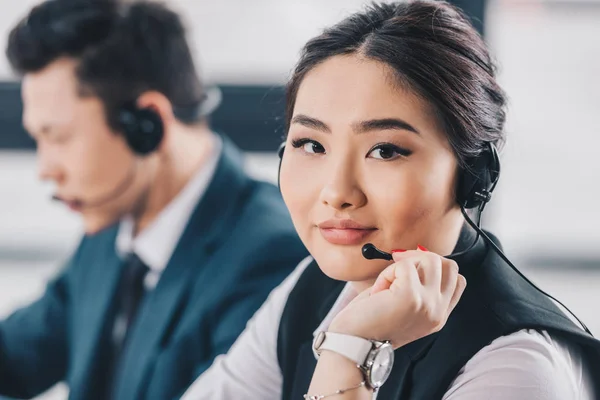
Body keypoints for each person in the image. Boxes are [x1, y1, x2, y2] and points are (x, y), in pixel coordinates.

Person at [181, 1, 600, 399]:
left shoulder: (517, 368)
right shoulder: (313, 289)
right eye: (311, 144)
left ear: (472, 173)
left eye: (384, 150)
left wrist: (351, 351)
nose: (338, 193)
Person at [0, 0, 307, 399]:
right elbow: (13, 356)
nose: (46, 168)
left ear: (147, 124)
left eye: (57, 137)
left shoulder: (270, 257)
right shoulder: (113, 228)